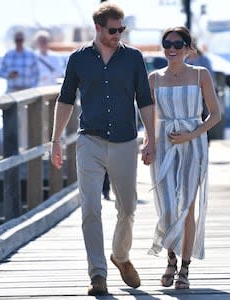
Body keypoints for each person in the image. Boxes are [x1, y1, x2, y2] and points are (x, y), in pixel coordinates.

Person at [49, 2, 155, 296]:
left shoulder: (133, 58)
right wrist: (55, 140)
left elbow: (144, 99)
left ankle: (120, 256)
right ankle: (97, 274)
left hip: (124, 141)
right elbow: (65, 99)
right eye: (113, 30)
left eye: (122, 29)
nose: (118, 34)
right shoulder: (78, 59)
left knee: (128, 208)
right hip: (90, 141)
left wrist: (151, 138)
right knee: (90, 209)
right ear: (97, 28)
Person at [147, 26, 221, 290]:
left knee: (187, 206)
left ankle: (184, 268)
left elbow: (215, 115)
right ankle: (170, 259)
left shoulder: (201, 74)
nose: (172, 48)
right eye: (167, 43)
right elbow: (149, 117)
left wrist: (191, 135)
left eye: (178, 44)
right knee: (166, 206)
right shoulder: (153, 78)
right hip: (164, 145)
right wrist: (148, 143)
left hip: (194, 145)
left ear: (189, 48)